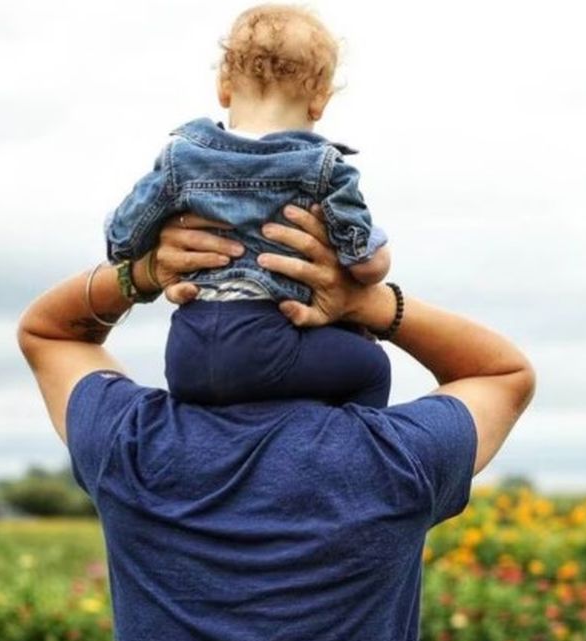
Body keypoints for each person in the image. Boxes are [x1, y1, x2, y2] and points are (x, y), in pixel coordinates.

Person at [17, 205, 536, 641]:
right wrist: (370, 303)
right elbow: (502, 375)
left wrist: (143, 273)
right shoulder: (396, 462)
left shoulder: (132, 445)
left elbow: (50, 333)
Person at [103, 4, 392, 407]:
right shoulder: (325, 168)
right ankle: (352, 459)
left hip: (187, 353)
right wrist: (377, 255)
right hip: (269, 344)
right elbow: (365, 264)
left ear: (224, 87)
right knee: (371, 366)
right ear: (319, 102)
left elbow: (123, 240)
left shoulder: (180, 158)